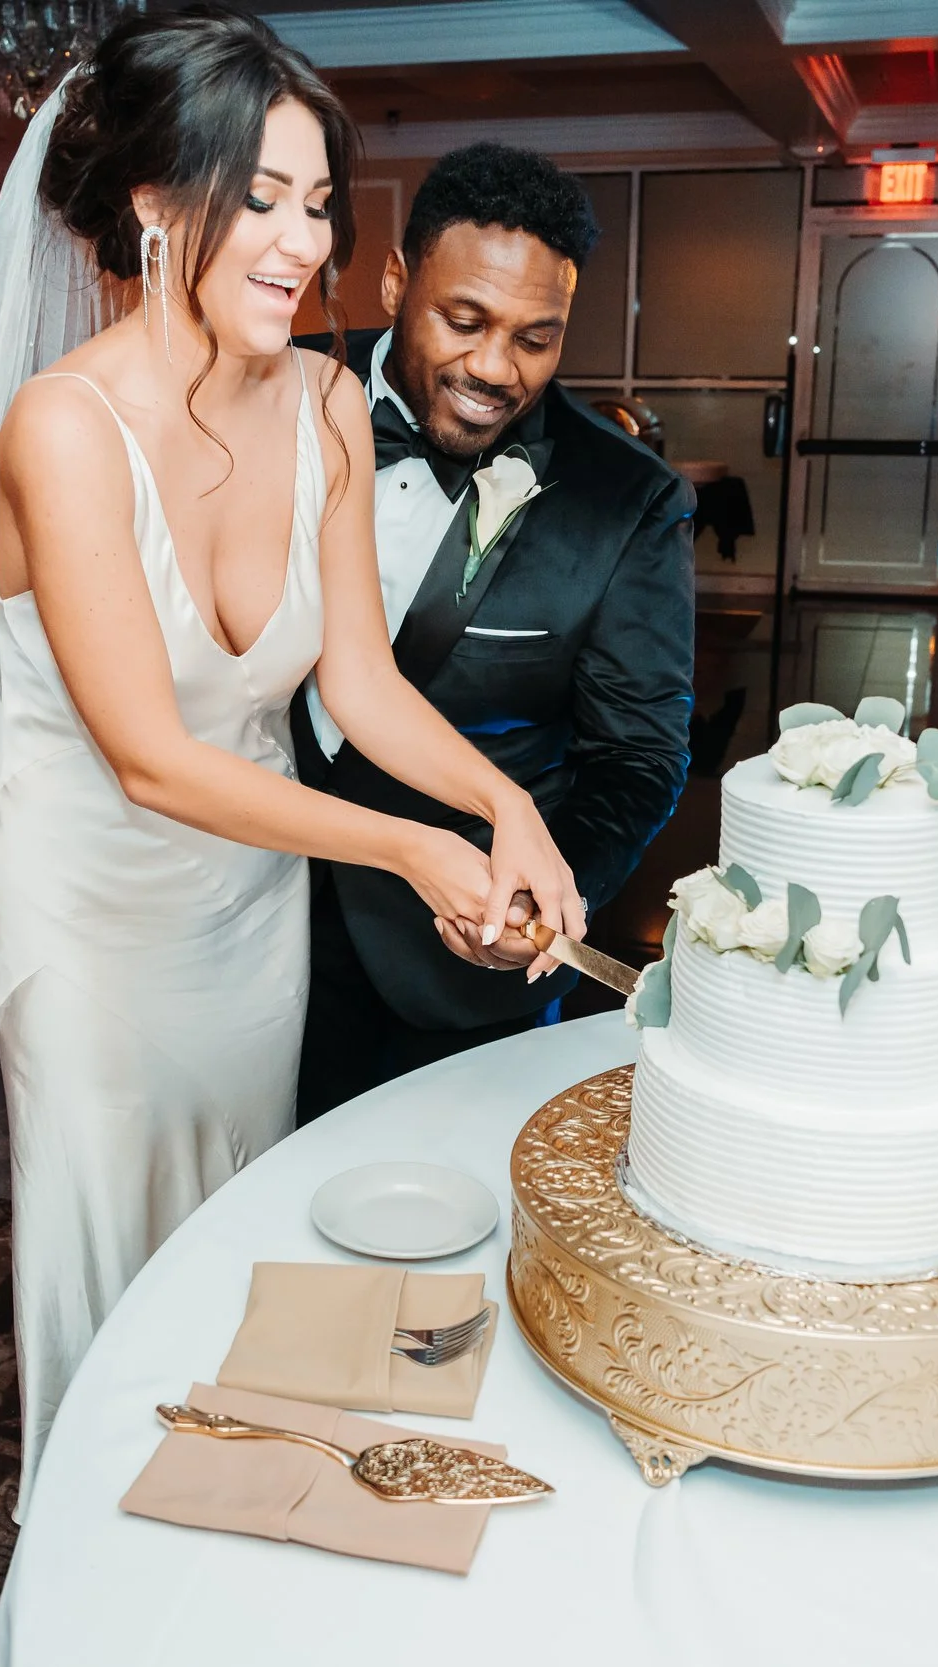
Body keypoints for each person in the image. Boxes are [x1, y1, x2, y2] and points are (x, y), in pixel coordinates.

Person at [0, 11, 587, 1512]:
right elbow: (146, 755)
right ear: (153, 204)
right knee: (106, 1255)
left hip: (245, 914)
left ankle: (230, 1535)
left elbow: (359, 677)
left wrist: (500, 801)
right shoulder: (59, 433)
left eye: (320, 203)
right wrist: (409, 848)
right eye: (260, 197)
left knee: (238, 1245)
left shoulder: (329, 402)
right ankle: (90, 1547)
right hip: (90, 916)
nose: (301, 241)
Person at [292, 144, 697, 1120]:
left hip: (456, 954)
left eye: (534, 338)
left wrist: (540, 897)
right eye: (462, 320)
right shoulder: (276, 398)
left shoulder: (624, 502)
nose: (491, 368)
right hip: (245, 909)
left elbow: (636, 756)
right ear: (396, 279)